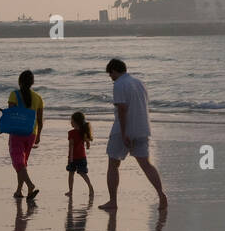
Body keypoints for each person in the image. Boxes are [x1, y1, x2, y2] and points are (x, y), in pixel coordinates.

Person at [99, 59, 167, 211]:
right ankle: (161, 195)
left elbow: (122, 109)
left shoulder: (119, 84)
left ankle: (113, 201)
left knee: (113, 164)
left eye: (110, 74)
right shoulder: (139, 83)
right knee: (146, 164)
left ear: (114, 71)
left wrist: (124, 133)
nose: (110, 78)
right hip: (142, 128)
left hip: (123, 130)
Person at [7, 70, 43, 201]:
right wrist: (38, 135)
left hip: (17, 133)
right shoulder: (38, 98)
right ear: (32, 83)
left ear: (20, 81)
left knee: (19, 163)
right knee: (22, 163)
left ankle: (30, 185)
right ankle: (18, 191)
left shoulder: (14, 95)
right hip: (31, 134)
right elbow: (40, 120)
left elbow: (11, 114)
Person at [66, 110, 95, 198]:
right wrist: (88, 145)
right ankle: (90, 188)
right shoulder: (83, 132)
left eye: (71, 121)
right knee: (83, 173)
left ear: (75, 122)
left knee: (71, 174)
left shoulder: (71, 133)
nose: (70, 122)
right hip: (82, 157)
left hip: (73, 157)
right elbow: (87, 142)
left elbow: (71, 146)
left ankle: (70, 191)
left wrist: (70, 158)